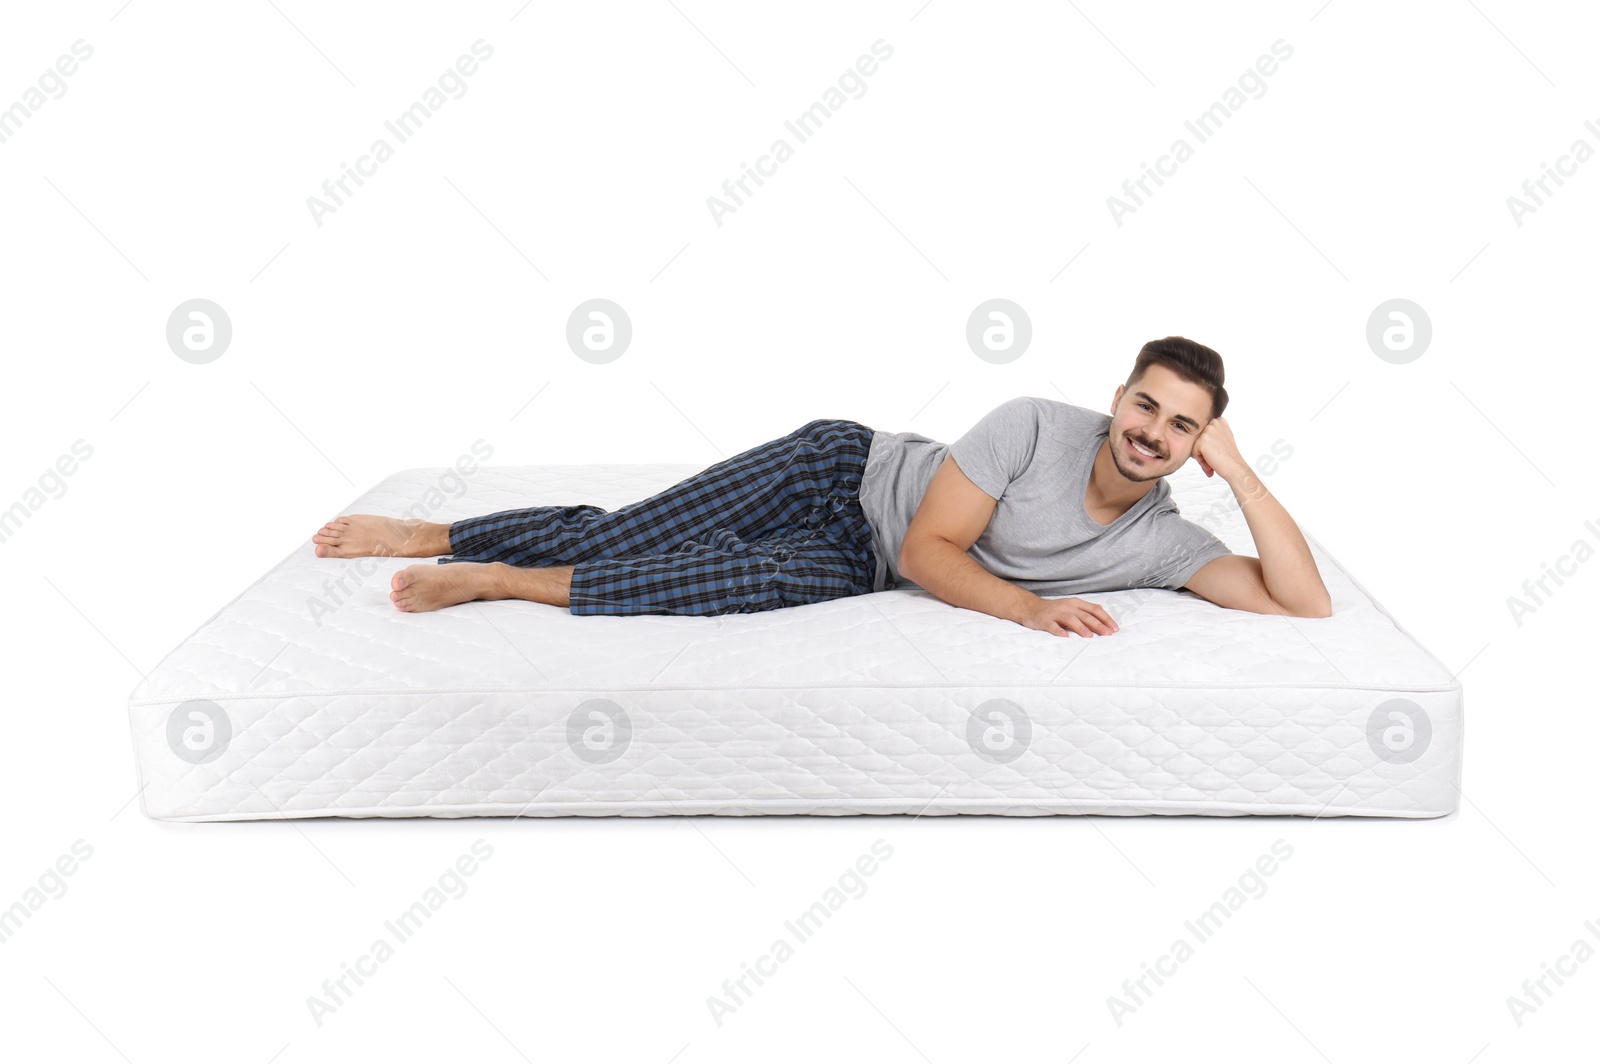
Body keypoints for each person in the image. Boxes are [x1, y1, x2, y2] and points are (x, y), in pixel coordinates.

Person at [311, 336, 1331, 634]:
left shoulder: (1162, 539)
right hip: (842, 474)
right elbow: (932, 550)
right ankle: (435, 528)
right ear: (1119, 396)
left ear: (1200, 436)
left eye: (1183, 424)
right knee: (630, 532)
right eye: (1146, 406)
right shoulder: (1033, 424)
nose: (1153, 433)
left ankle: (495, 578)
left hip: (861, 555)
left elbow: (1302, 597)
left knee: (710, 583)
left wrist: (1238, 473)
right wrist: (1024, 606)